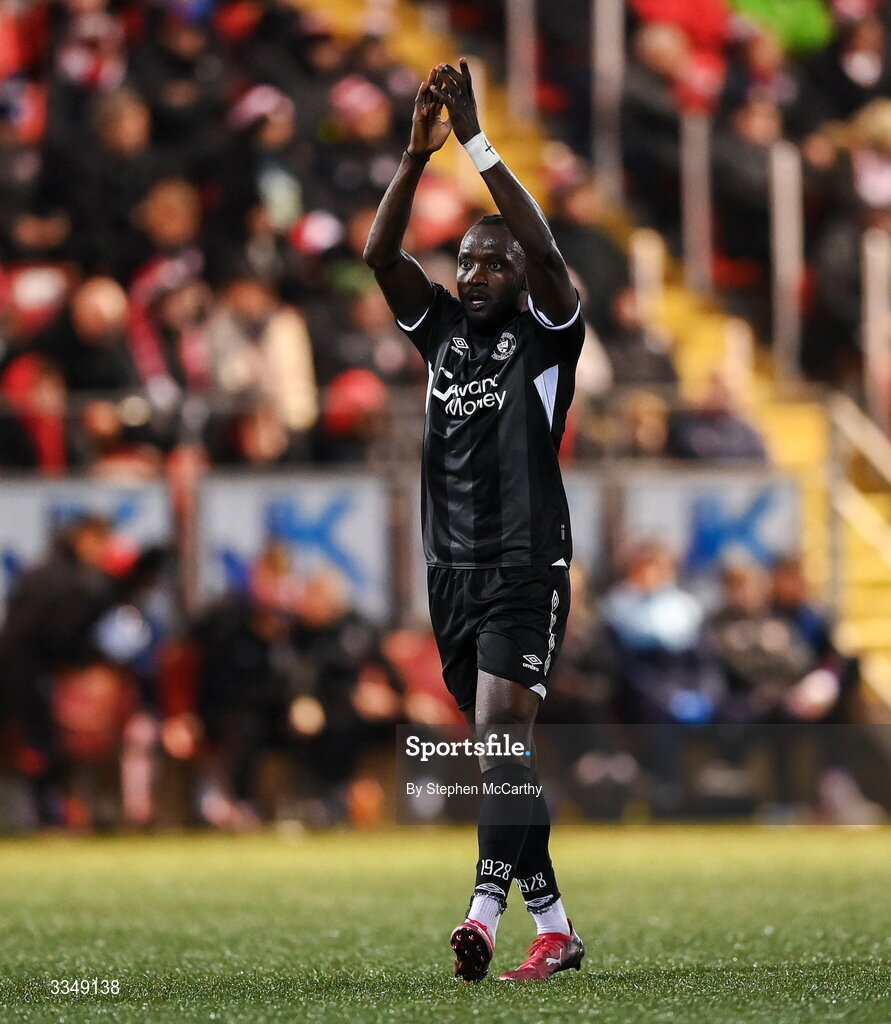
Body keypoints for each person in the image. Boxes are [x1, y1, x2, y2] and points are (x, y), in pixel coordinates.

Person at [364, 59, 584, 983]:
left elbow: (545, 254)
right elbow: (380, 256)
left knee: (501, 736)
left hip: (525, 564)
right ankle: (557, 927)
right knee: (499, 758)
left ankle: (481, 916)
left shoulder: (549, 333)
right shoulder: (441, 329)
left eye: (495, 260)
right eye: (468, 262)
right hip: (449, 570)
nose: (480, 272)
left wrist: (479, 145)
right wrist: (415, 159)